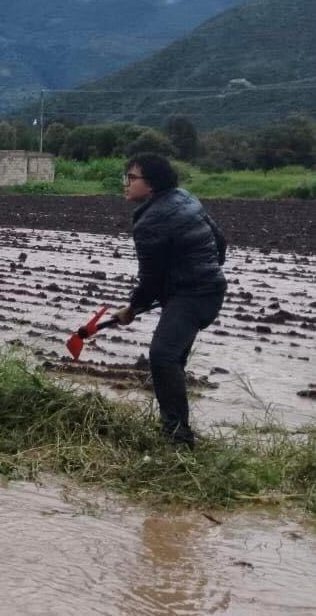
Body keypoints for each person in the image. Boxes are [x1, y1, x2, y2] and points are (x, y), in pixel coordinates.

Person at [113, 153, 227, 447]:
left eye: (131, 178)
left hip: (192, 295)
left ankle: (177, 438)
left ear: (151, 184)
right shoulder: (184, 198)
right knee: (172, 359)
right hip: (207, 289)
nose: (125, 184)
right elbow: (219, 241)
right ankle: (176, 431)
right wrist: (204, 271)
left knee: (163, 357)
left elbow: (150, 279)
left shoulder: (151, 221)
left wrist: (132, 309)